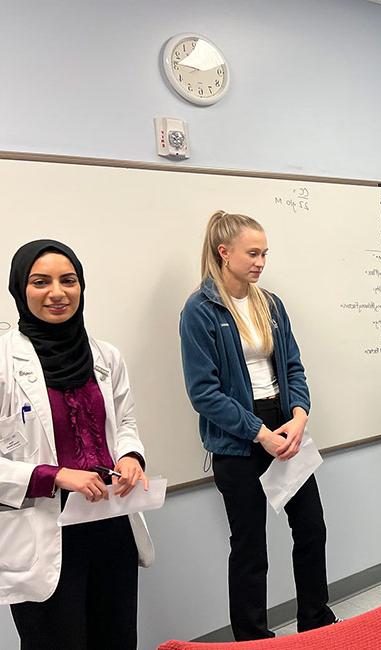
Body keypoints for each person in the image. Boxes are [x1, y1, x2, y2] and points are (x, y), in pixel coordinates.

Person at [179, 211, 337, 641]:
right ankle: (252, 637)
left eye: (265, 253)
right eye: (252, 253)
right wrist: (259, 434)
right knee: (249, 548)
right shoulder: (200, 310)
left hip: (283, 427)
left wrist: (299, 416)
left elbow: (293, 367)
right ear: (223, 252)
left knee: (311, 528)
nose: (260, 261)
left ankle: (316, 624)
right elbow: (204, 393)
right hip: (237, 438)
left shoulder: (271, 303)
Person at [0, 240, 153, 649]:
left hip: (110, 522)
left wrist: (131, 455)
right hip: (46, 530)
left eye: (69, 281)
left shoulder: (105, 356)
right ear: (20, 288)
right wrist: (55, 475)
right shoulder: (3, 361)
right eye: (40, 281)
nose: (57, 292)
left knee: (117, 637)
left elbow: (125, 422)